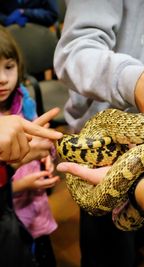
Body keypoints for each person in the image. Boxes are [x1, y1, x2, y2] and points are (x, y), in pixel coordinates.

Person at [54, 1, 144, 266]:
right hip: (98, 148)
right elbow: (73, 51)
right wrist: (132, 78)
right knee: (107, 250)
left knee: (139, 226)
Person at [0, 25, 61, 267]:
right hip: (11, 205)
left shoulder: (24, 101)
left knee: (40, 246)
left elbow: (41, 140)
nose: (3, 79)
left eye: (9, 67)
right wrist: (21, 184)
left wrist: (48, 155)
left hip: (35, 198)